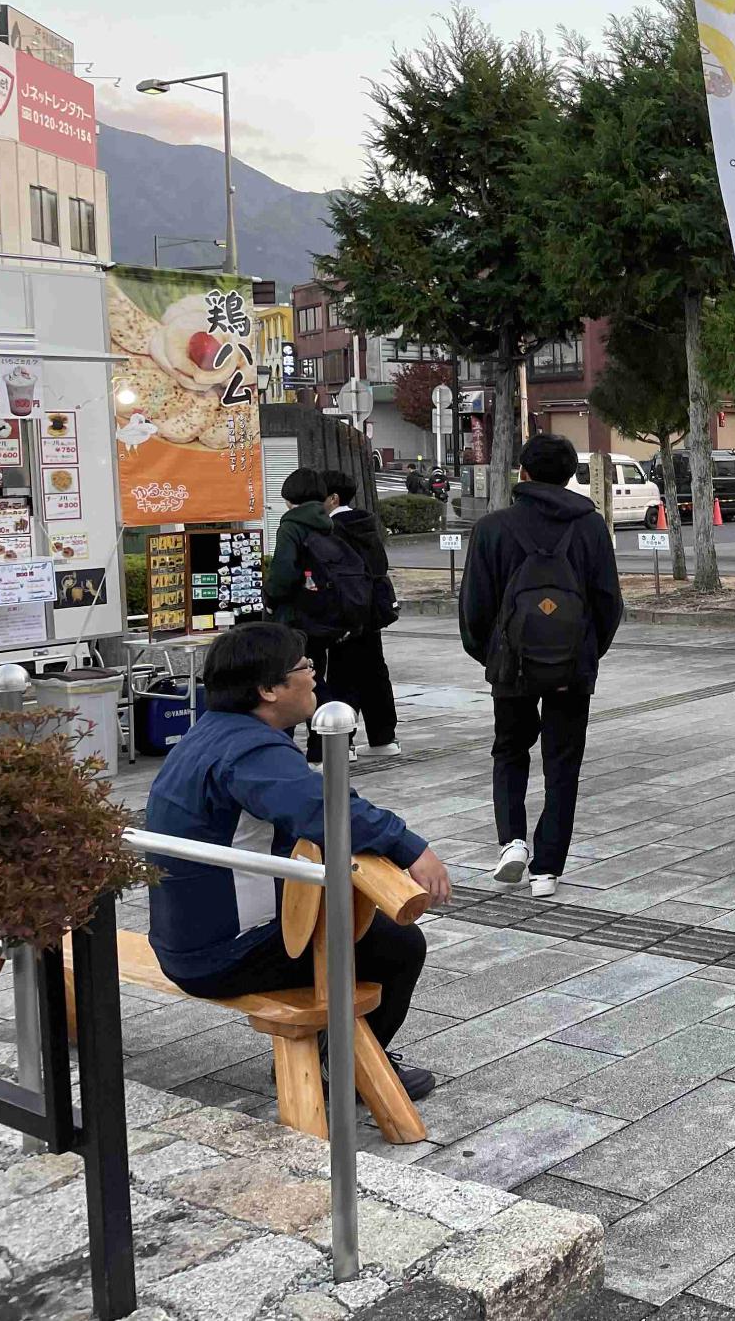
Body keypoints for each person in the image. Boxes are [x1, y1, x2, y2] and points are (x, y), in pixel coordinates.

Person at [142, 622, 452, 1098]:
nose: (313, 676)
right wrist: (410, 847)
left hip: (183, 939)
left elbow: (305, 811)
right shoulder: (250, 750)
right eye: (304, 667)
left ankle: (334, 1056)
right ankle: (344, 1069)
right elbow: (327, 809)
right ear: (268, 689)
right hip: (220, 954)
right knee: (399, 946)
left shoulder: (213, 731)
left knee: (357, 928)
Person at [460, 433, 625, 899]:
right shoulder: (591, 526)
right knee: (563, 762)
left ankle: (512, 842)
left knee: (510, 750)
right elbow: (608, 602)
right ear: (571, 475)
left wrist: (492, 656)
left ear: (523, 473)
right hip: (572, 665)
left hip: (511, 665)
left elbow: (474, 607)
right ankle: (547, 869)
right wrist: (587, 652)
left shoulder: (493, 528)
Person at [265, 467, 347, 768]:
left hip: (294, 619)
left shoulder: (291, 525)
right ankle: (321, 751)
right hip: (321, 617)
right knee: (314, 677)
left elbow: (282, 574)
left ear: (290, 498)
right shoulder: (327, 523)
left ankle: (278, 754)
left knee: (286, 683)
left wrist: (270, 600)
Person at [320, 468, 402, 758]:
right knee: (375, 673)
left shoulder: (333, 530)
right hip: (373, 614)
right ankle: (384, 738)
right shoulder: (366, 525)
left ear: (333, 497)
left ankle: (343, 743)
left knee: (342, 676)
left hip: (347, 613)